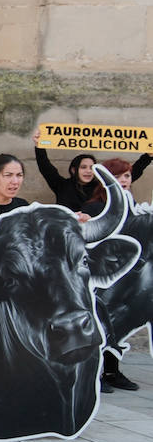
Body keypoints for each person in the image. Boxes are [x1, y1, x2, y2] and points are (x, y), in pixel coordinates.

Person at [80, 157, 141, 393]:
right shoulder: (94, 207)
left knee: (118, 327)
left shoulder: (132, 203)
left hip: (128, 277)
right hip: (103, 277)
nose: (123, 181)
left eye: (127, 176)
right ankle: (97, 373)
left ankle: (113, 371)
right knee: (101, 324)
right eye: (117, 177)